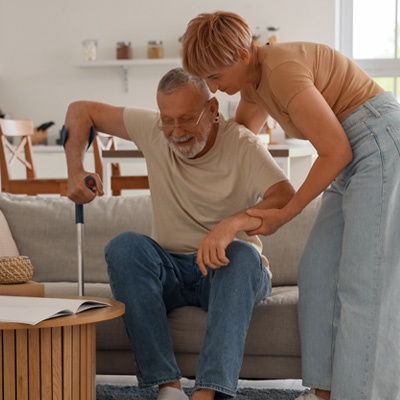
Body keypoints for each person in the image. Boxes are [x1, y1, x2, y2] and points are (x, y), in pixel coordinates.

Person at [181, 10, 400, 400]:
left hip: (377, 143)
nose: (213, 88)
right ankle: (325, 392)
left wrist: (285, 212)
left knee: (364, 283)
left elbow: (335, 150)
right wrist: (188, 132)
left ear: (242, 54)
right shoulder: (254, 84)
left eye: (215, 77)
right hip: (349, 154)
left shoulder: (280, 69)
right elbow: (241, 133)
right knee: (317, 271)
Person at [63, 67, 295, 400]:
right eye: (166, 119)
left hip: (226, 269)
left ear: (212, 110)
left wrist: (231, 225)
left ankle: (207, 392)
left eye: (186, 119)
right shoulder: (153, 130)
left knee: (243, 254)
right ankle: (167, 388)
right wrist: (75, 170)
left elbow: (285, 197)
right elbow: (80, 109)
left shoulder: (242, 145)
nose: (175, 132)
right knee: (124, 246)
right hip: (170, 268)